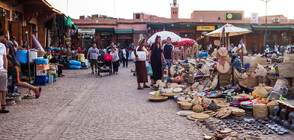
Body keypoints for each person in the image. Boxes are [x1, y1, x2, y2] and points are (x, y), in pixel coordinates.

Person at [0, 31, 41, 98]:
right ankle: (4, 98)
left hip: (13, 65)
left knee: (17, 82)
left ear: (2, 36)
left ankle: (35, 88)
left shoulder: (6, 43)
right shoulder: (9, 43)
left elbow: (5, 54)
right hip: (8, 66)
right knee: (4, 82)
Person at [0, 32, 8, 113]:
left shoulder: (2, 46)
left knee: (3, 88)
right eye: (3, 37)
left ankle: (3, 105)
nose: (4, 38)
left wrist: (5, 69)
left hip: (2, 70)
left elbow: (4, 58)